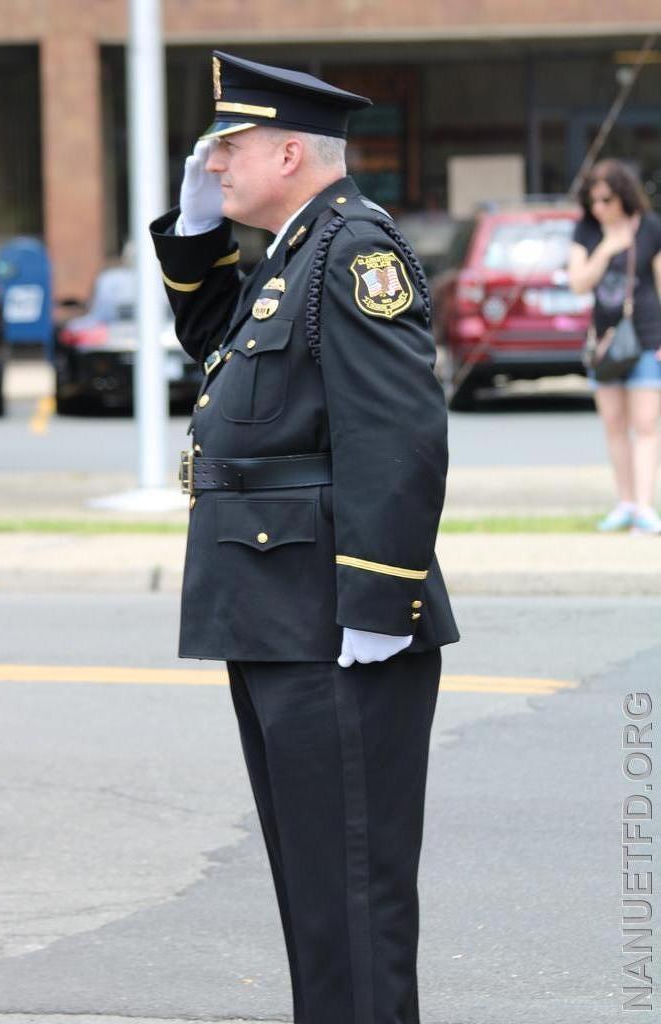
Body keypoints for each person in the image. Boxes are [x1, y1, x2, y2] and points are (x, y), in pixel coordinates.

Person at [150, 50, 459, 1024]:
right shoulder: (293, 253)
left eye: (227, 147)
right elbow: (222, 354)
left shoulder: (352, 249)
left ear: (289, 152)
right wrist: (194, 236)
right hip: (278, 612)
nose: (213, 163)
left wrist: (374, 603)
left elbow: (397, 435)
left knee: (351, 896)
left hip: (331, 619)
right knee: (316, 895)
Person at [569, 158, 661, 534]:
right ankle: (624, 503)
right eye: (593, 200)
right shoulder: (587, 232)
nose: (599, 207)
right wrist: (606, 249)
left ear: (623, 195)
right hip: (605, 343)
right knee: (614, 425)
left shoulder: (651, 228)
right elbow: (578, 283)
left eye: (606, 199)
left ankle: (643, 506)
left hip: (647, 338)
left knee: (646, 424)